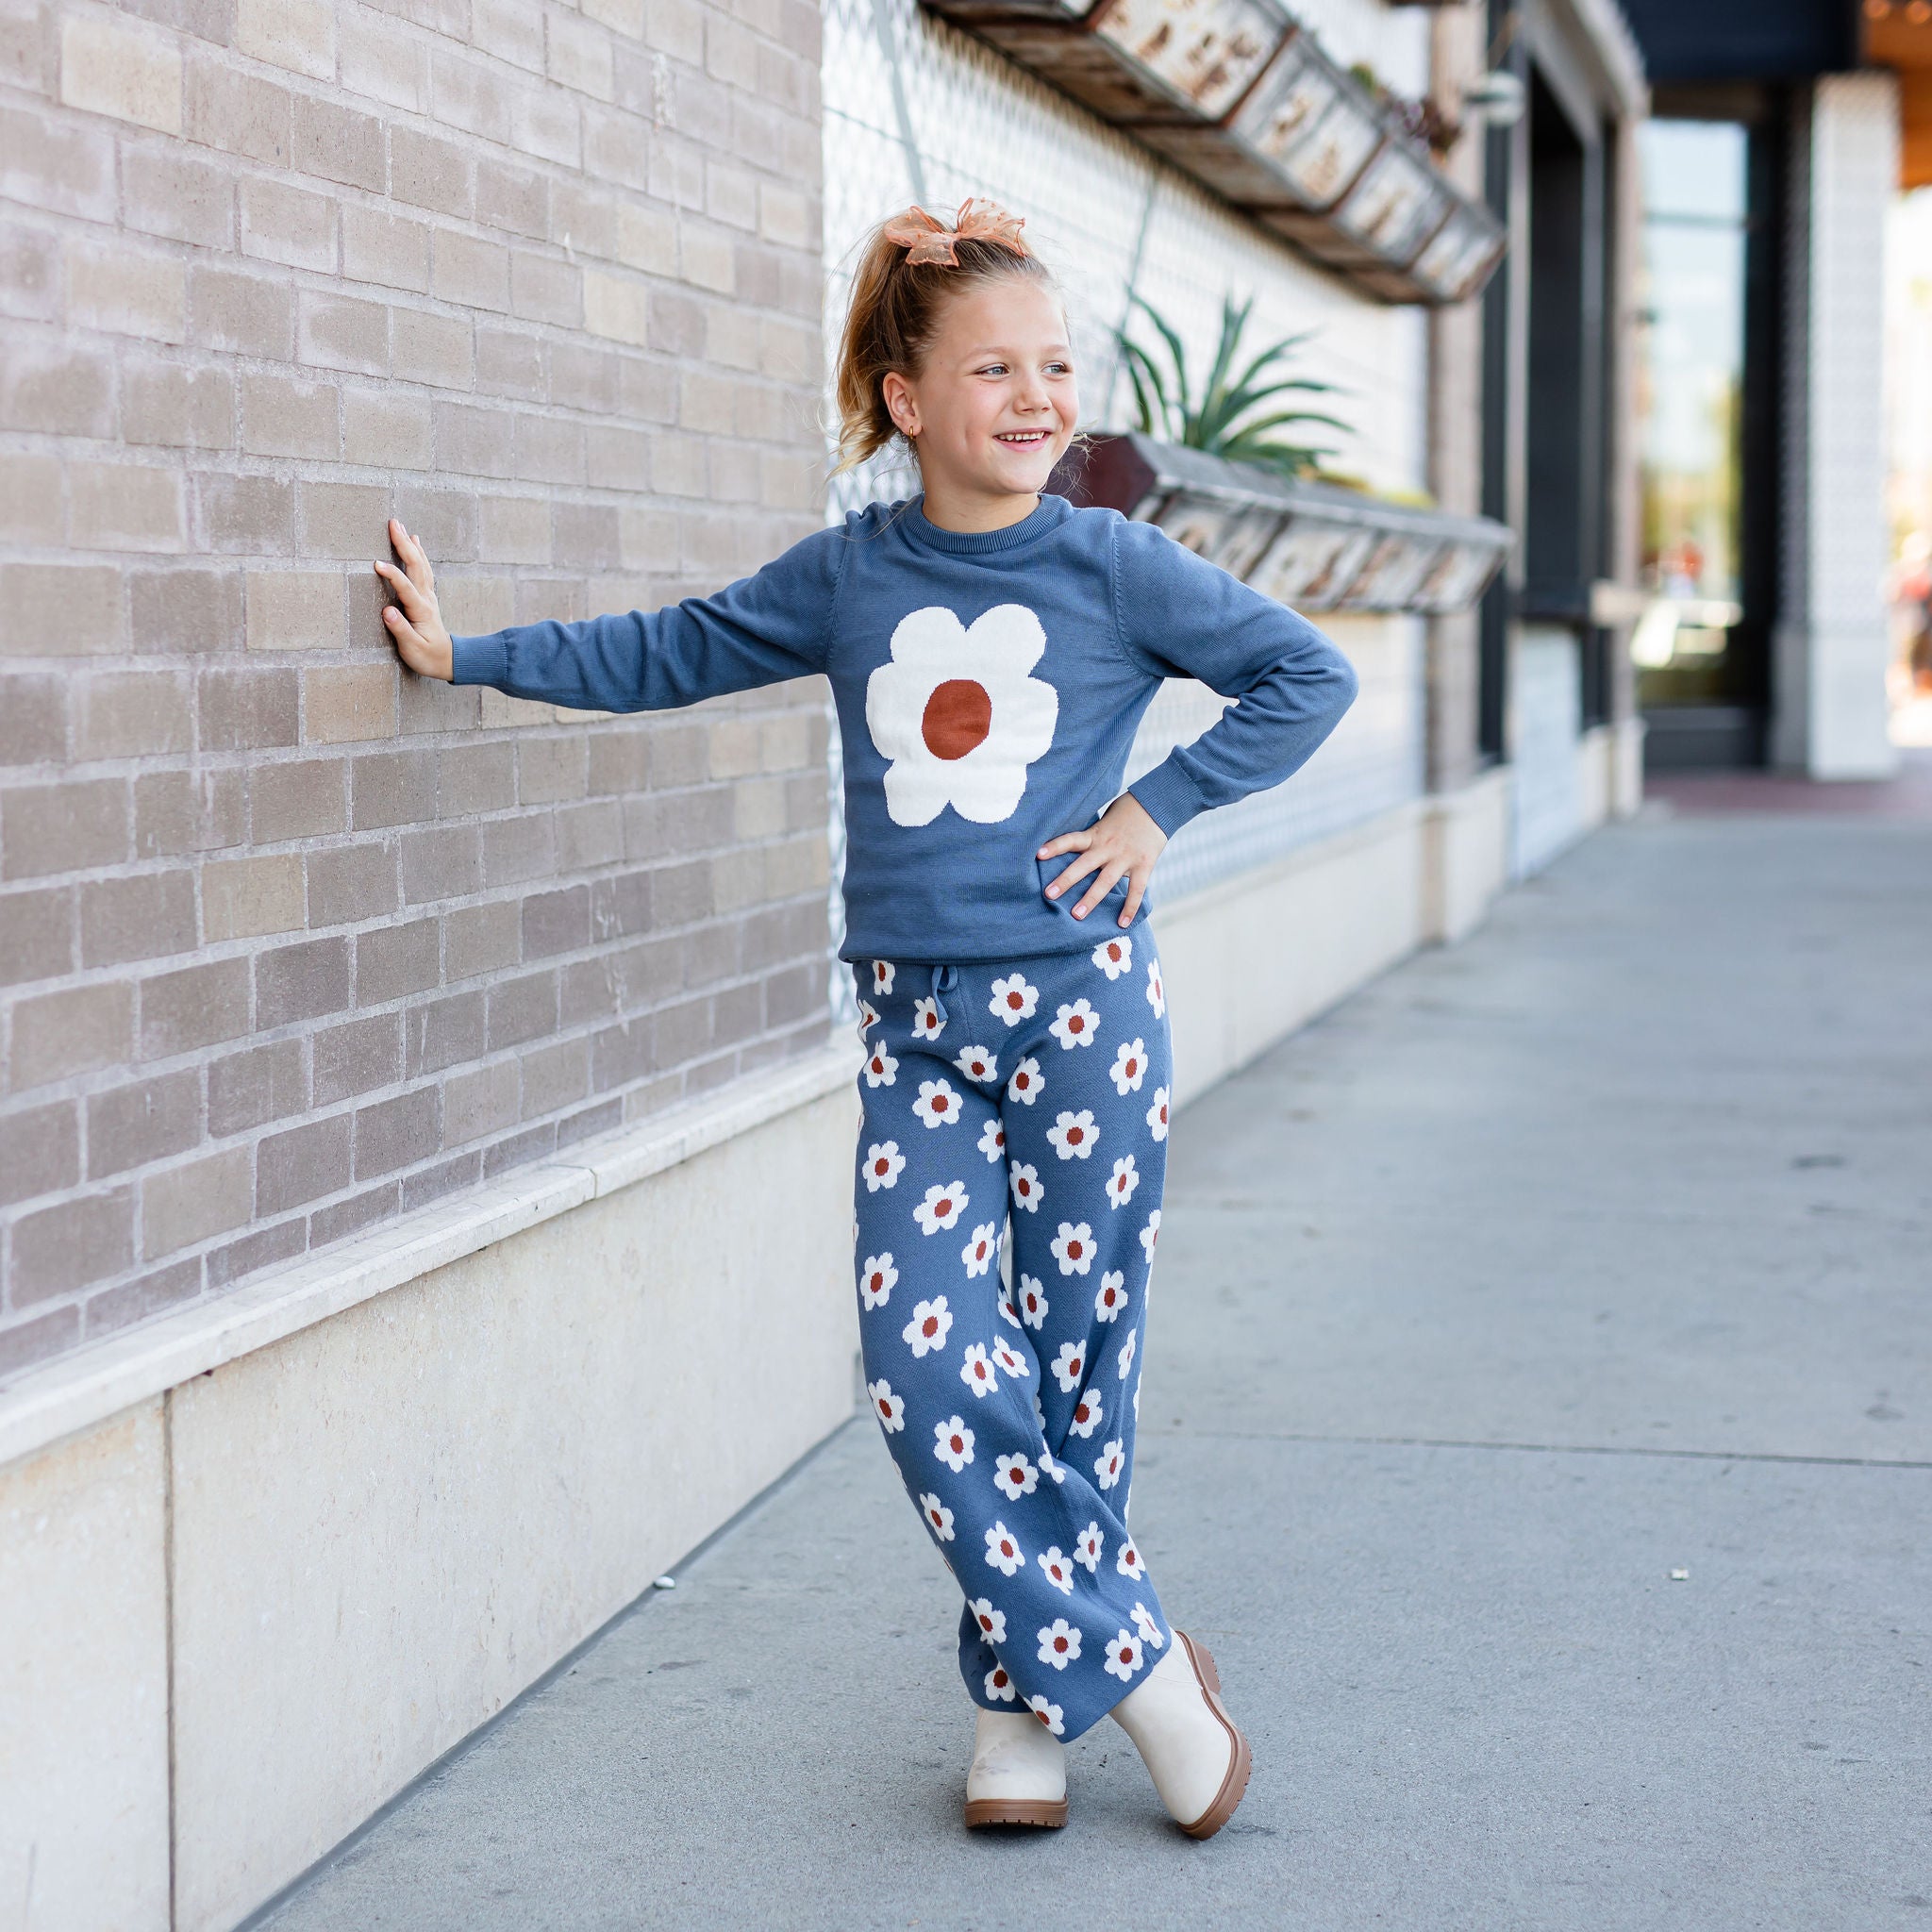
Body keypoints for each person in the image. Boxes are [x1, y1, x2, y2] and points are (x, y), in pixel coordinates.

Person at [375, 197, 1358, 1839]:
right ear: (908, 401)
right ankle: (1143, 1670)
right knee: (924, 1360)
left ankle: (1021, 1720)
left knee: (1069, 1371)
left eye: (1058, 366)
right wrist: (471, 650)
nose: (1039, 397)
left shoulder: (1112, 562)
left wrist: (1160, 811)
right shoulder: (852, 576)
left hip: (1085, 1019)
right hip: (916, 1031)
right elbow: (670, 649)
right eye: (996, 369)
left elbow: (1303, 677)